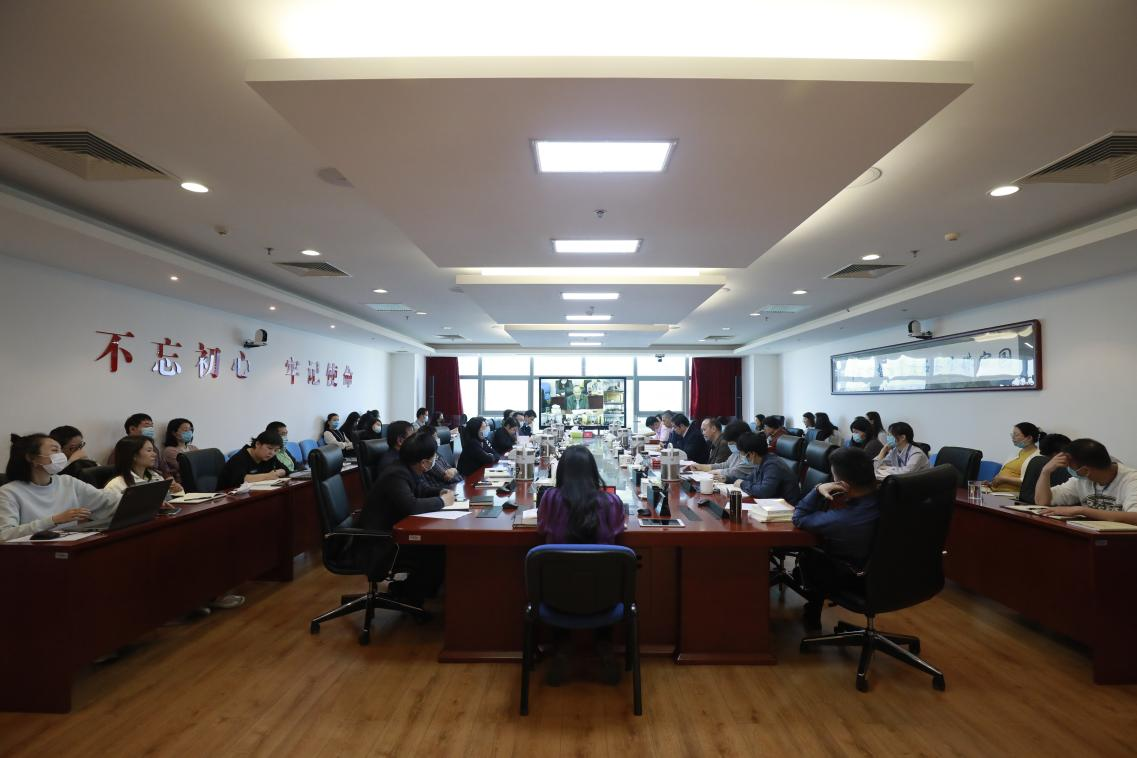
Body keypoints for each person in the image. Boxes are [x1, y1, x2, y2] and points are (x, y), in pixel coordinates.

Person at [536, 445, 627, 686]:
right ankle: (605, 647)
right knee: (600, 578)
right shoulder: (612, 502)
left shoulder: (550, 499)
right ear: (593, 472)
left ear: (561, 473)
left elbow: (541, 528)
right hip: (605, 597)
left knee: (563, 577)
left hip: (556, 596)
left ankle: (561, 648)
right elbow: (619, 528)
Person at [792, 447, 881, 630]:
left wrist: (818, 489)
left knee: (811, 554)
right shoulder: (892, 501)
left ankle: (812, 615)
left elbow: (799, 518)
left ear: (843, 485)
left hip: (858, 581)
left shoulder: (843, 520)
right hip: (901, 578)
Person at [361, 432, 453, 603]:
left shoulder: (406, 468)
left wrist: (440, 492)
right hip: (381, 541)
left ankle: (416, 591)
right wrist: (442, 501)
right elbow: (411, 506)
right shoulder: (396, 474)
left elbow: (420, 490)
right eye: (433, 457)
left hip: (392, 531)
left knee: (440, 547)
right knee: (438, 549)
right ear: (423, 462)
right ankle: (408, 593)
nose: (435, 460)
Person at [0, 433, 121, 542]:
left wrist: (130, 497)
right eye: (54, 450)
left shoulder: (67, 482)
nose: (61, 455)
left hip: (69, 547)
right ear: (32, 458)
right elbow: (4, 535)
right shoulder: (8, 492)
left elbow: (107, 501)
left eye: (60, 450)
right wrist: (53, 520)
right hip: (30, 553)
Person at [1036, 438, 1137, 523]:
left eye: (1070, 466)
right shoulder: (1081, 480)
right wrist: (1045, 472)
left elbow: (1134, 517)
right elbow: (1042, 501)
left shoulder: (1132, 479)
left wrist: (1081, 511)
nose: (1069, 470)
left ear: (1086, 470)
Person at [104, 435, 183, 497]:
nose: (154, 454)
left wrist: (174, 492)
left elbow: (165, 502)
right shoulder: (115, 485)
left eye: (153, 450)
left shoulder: (156, 476)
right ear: (134, 455)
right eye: (149, 450)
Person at [735, 432, 801, 503]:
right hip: (771, 502)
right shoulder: (761, 461)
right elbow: (748, 479)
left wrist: (742, 484)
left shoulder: (772, 465)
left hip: (785, 506)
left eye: (743, 454)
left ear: (752, 454)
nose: (742, 457)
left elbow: (764, 492)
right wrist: (737, 481)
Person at [217, 431, 288, 489]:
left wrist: (278, 472)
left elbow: (285, 470)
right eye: (269, 448)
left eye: (276, 450)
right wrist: (267, 476)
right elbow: (239, 480)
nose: (272, 453)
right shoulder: (239, 459)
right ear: (257, 444)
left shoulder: (270, 456)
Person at [986, 422, 1043, 493]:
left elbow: (1029, 482)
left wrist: (1004, 479)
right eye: (1012, 434)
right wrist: (991, 483)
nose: (1013, 437)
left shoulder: (1038, 457)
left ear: (1029, 438)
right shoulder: (1015, 453)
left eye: (1016, 435)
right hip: (995, 491)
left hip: (1012, 494)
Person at [161, 418, 197, 482]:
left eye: (190, 430)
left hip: (198, 479)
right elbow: (185, 468)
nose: (189, 432)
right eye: (185, 430)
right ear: (174, 433)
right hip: (184, 483)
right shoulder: (169, 450)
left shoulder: (193, 447)